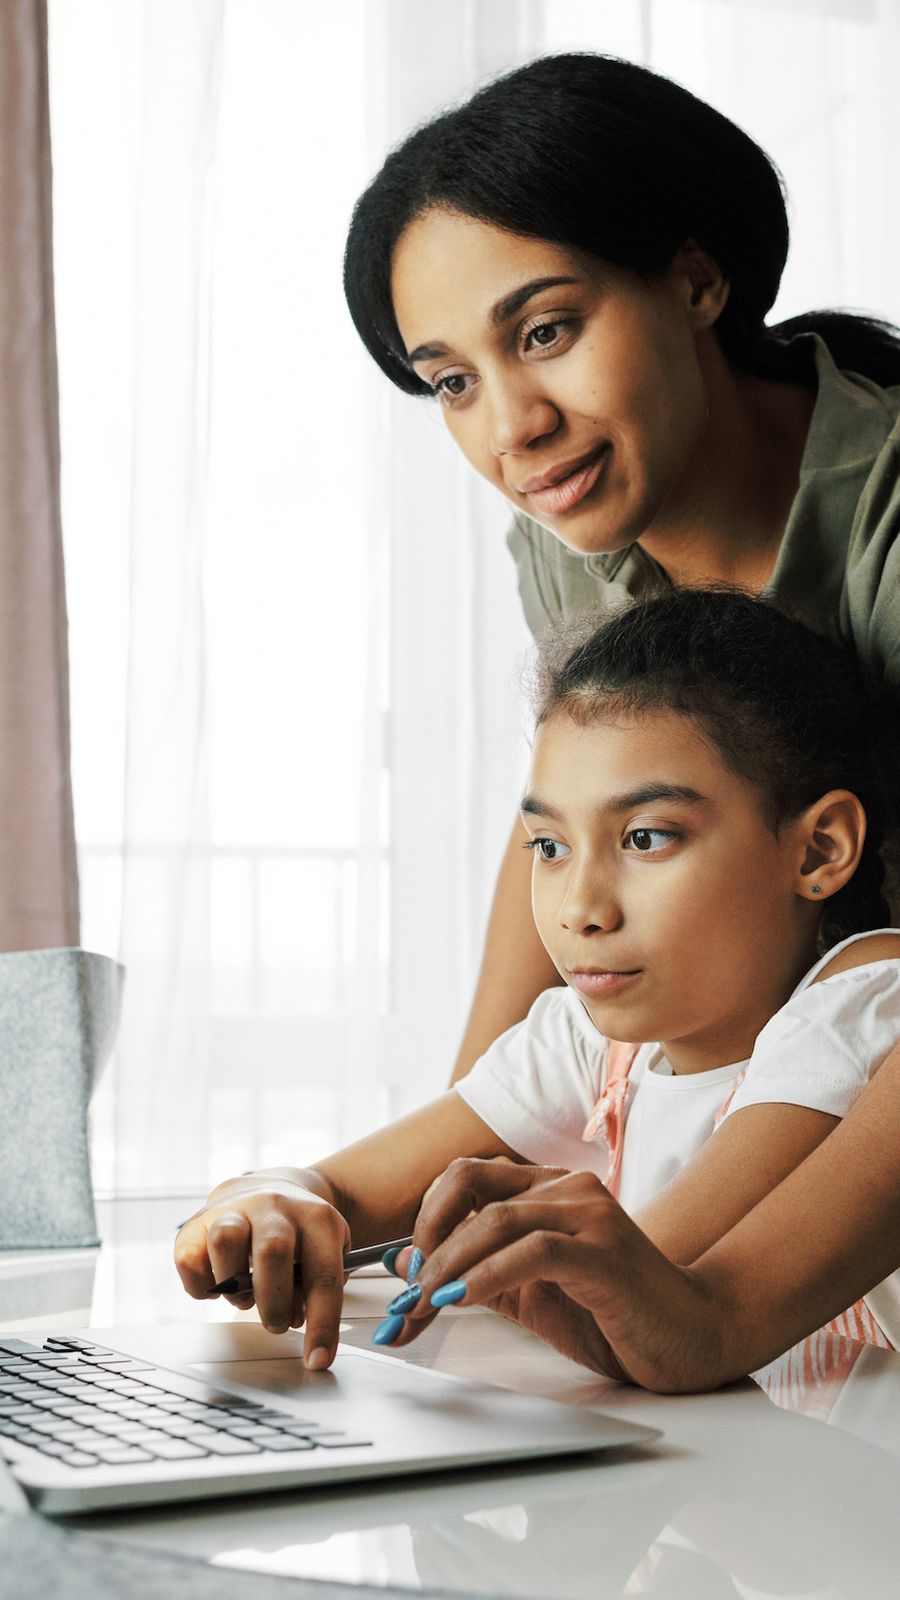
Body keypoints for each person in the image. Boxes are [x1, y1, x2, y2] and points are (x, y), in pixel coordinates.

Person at [175, 589, 900, 1392]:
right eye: (549, 845)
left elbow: (658, 1283)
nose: (581, 909)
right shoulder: (594, 1042)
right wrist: (270, 1201)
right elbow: (343, 1187)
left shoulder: (866, 997)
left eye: (646, 838)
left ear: (819, 850)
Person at [342, 51, 900, 1079]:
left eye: (547, 330)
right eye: (455, 382)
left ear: (696, 280)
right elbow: (567, 823)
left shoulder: (886, 517)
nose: (514, 426)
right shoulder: (566, 547)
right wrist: (460, 1156)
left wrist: (693, 1252)